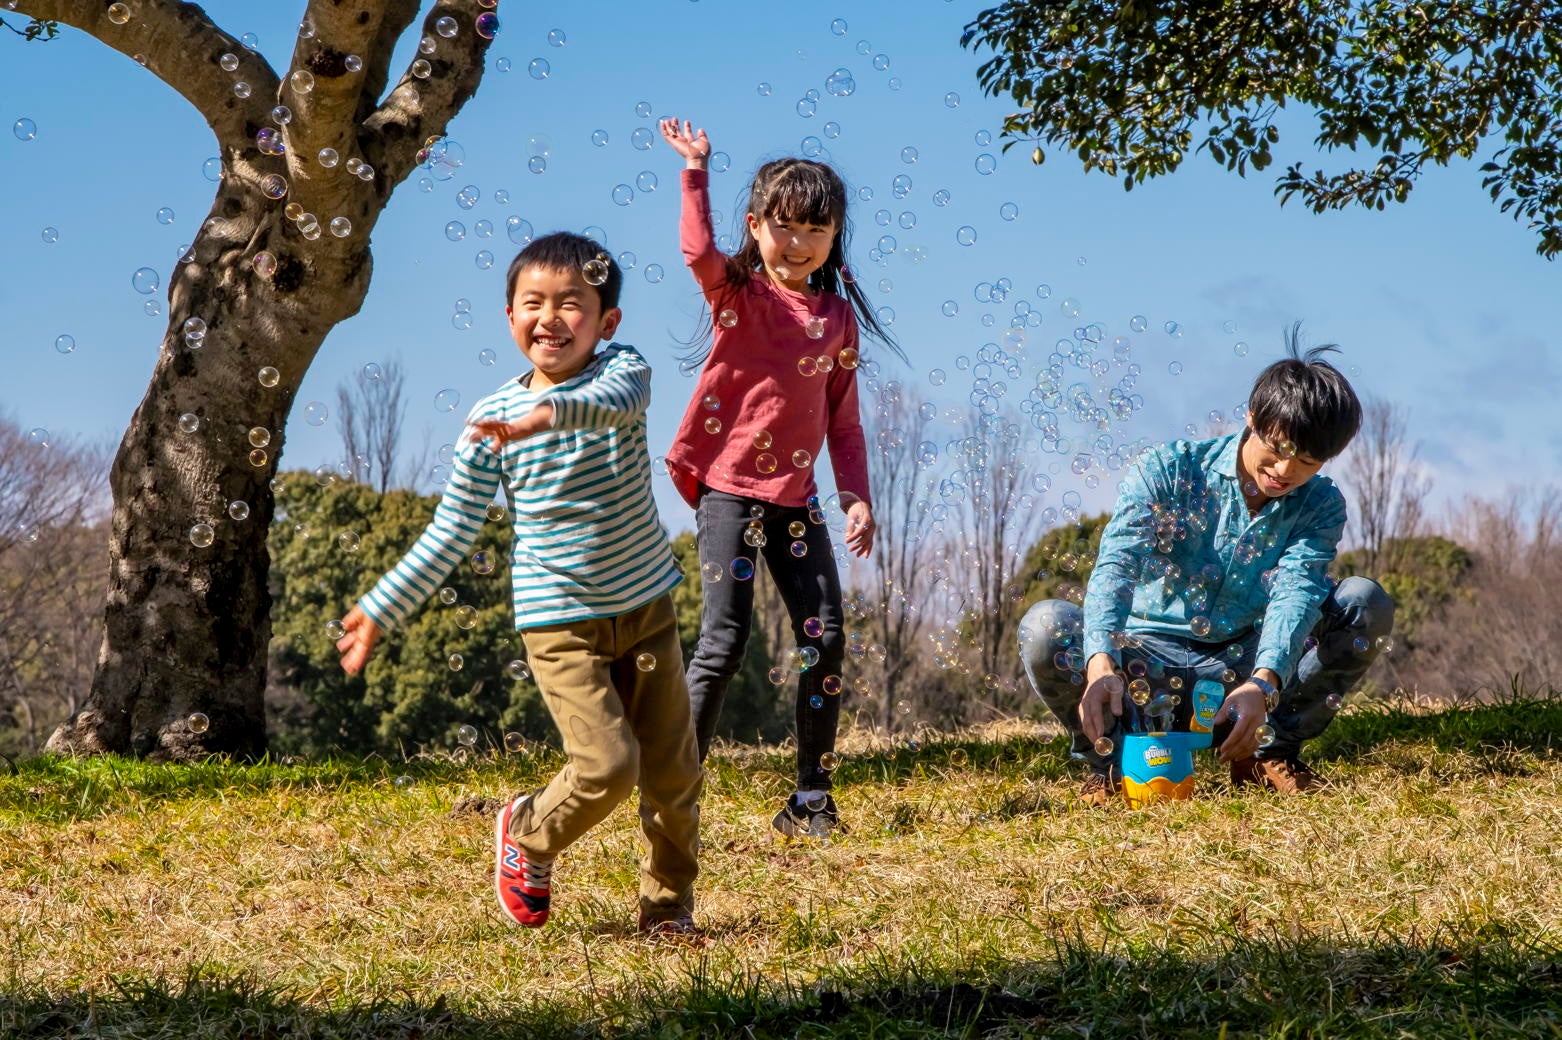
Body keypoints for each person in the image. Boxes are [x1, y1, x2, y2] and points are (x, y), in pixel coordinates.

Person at [334, 232, 702, 934]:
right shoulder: (487, 422)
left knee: (674, 775)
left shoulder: (624, 370)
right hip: (558, 622)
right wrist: (382, 605)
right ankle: (528, 831)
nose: (552, 317)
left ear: (608, 322)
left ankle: (666, 911)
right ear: (510, 318)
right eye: (534, 303)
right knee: (607, 767)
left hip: (648, 608)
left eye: (573, 303)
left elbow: (615, 402)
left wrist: (549, 413)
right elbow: (451, 532)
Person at [1017, 327, 1395, 803]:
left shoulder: (1321, 505)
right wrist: (1100, 662)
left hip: (1240, 673)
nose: (1283, 472)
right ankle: (1110, 761)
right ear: (1252, 419)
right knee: (1046, 625)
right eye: (1277, 450)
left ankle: (1266, 752)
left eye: (1306, 461)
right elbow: (1117, 563)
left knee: (1363, 601)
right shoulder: (1169, 469)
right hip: (1141, 666)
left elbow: (1296, 592)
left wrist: (1264, 682)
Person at [657, 117, 897, 839]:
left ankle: (811, 799)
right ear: (756, 226)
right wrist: (696, 169)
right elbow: (697, 247)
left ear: (835, 238)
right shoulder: (738, 295)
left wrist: (854, 496)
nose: (797, 244)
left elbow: (843, 423)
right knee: (723, 643)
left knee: (825, 640)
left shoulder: (837, 319)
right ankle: (674, 793)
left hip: (797, 501)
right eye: (783, 228)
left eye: (815, 231)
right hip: (729, 489)